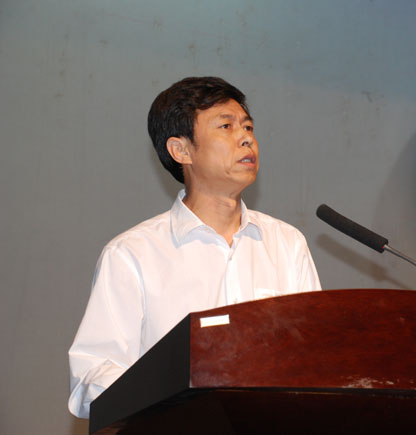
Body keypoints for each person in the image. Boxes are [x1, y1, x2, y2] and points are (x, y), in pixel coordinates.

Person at [68, 77, 321, 418]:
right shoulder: (132, 255)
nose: (246, 137)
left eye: (248, 127)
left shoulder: (286, 244)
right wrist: (174, 394)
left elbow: (315, 359)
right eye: (227, 126)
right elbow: (90, 379)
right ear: (181, 150)